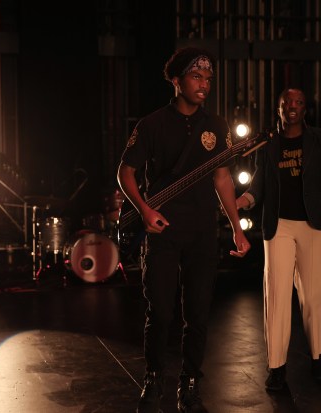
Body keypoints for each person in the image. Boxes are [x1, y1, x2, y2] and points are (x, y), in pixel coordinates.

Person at [117, 47, 250, 413]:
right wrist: (144, 210)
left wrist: (236, 228)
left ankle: (190, 383)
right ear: (176, 81)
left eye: (208, 79)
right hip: (161, 230)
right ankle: (154, 376)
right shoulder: (152, 124)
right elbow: (125, 172)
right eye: (196, 77)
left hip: (203, 231)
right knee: (159, 311)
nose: (204, 84)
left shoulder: (216, 126)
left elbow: (222, 178)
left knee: (198, 314)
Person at [236, 87, 321, 391]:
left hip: (315, 225)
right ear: (279, 109)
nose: (292, 107)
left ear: (305, 109)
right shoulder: (269, 143)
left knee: (313, 297)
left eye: (298, 102)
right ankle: (276, 368)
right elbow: (258, 183)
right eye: (287, 103)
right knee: (277, 296)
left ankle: (318, 357)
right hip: (279, 225)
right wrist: (239, 202)